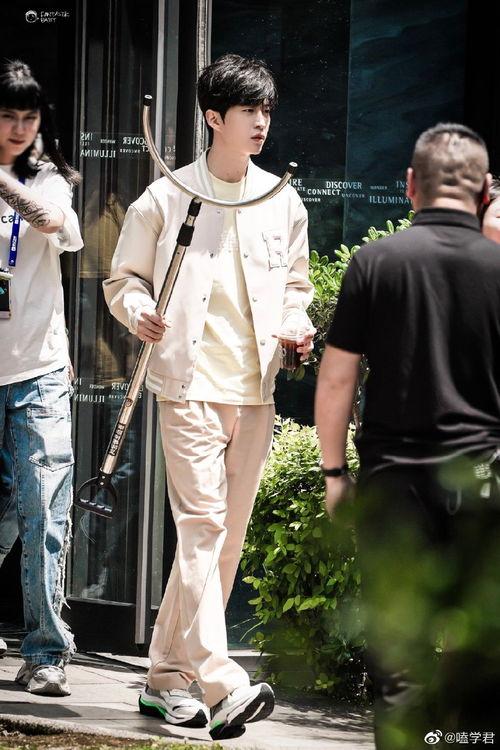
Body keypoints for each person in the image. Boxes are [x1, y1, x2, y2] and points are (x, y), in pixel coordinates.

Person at [104, 53, 314, 740]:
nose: (261, 122)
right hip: (188, 386)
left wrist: (297, 322)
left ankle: (166, 679)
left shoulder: (282, 198)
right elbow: (122, 280)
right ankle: (224, 685)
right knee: (202, 529)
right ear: (213, 117)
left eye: (266, 110)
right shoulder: (165, 196)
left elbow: (296, 286)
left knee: (222, 546)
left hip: (255, 392)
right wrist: (139, 310)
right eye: (248, 110)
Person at [315, 124, 500, 747]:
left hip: (394, 483)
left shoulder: (376, 262)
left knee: (399, 666)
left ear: (411, 185)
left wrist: (335, 475)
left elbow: (337, 378)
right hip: (485, 481)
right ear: (483, 190)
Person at [0, 60, 83, 695]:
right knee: (9, 508)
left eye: (28, 118)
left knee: (45, 509)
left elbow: (53, 223)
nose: (19, 129)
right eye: (7, 116)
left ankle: (47, 654)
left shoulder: (49, 179)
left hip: (40, 371)